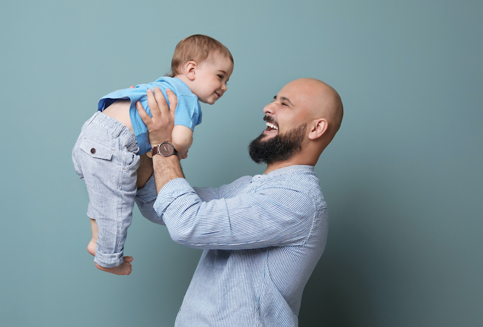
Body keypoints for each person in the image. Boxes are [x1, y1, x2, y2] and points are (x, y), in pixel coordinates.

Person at [134, 78, 343, 326]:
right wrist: (140, 143)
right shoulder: (247, 187)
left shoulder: (297, 199)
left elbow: (186, 223)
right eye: (274, 99)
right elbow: (158, 205)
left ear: (316, 128)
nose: (268, 107)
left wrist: (162, 145)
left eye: (284, 104)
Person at [72, 35, 234, 275]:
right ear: (191, 69)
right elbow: (178, 138)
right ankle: (109, 259)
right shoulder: (186, 97)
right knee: (117, 206)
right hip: (114, 144)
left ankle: (97, 241)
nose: (224, 87)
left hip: (92, 132)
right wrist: (182, 147)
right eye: (220, 76)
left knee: (105, 197)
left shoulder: (161, 85)